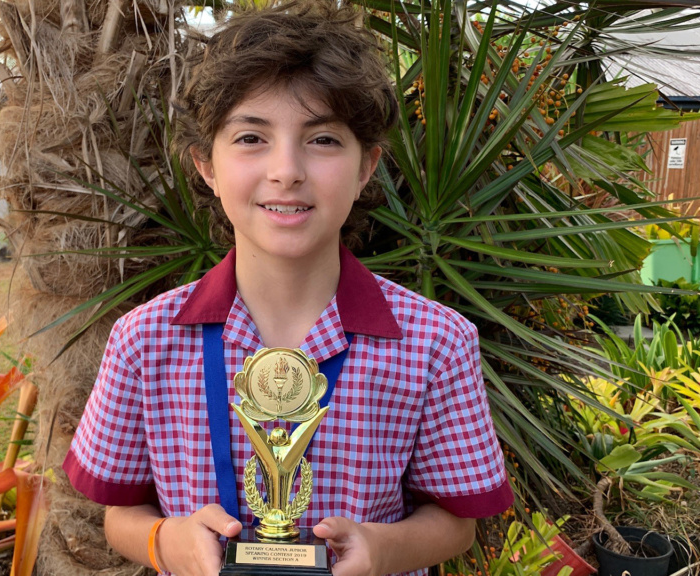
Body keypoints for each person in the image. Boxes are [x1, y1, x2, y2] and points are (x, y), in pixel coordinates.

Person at [64, 5, 513, 575]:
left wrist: (383, 551)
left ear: (366, 166)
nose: (286, 170)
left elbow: (456, 522)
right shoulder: (143, 340)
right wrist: (164, 540)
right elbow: (120, 512)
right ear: (206, 164)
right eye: (252, 137)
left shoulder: (436, 342)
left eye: (322, 139)